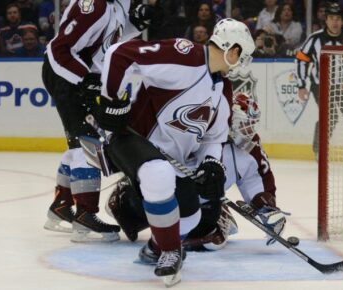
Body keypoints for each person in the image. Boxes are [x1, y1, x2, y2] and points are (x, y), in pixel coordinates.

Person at [88, 18, 254, 287]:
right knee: (158, 172)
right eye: (243, 55)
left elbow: (214, 138)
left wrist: (212, 164)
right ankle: (170, 251)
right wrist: (111, 101)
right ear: (232, 50)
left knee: (192, 216)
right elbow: (120, 53)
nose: (242, 63)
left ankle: (156, 246)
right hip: (129, 137)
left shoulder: (223, 89)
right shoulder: (184, 55)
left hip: (170, 161)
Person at [105, 93, 289, 252]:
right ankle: (126, 196)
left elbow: (258, 177)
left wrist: (266, 206)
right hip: (165, 194)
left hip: (201, 204)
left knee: (209, 239)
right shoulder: (195, 127)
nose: (247, 131)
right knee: (127, 212)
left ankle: (215, 214)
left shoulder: (247, 150)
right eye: (243, 125)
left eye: (250, 125)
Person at [41, 0, 157, 242]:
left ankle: (61, 206)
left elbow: (108, 38)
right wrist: (84, 79)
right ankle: (85, 216)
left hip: (80, 76)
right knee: (88, 142)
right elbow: (60, 49)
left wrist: (134, 24)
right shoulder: (94, 5)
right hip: (66, 74)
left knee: (79, 142)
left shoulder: (118, 3)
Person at [295, 2, 343, 158]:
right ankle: (319, 150)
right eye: (331, 18)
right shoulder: (315, 39)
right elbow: (301, 59)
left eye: (338, 18)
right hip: (320, 85)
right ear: (326, 20)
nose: (335, 22)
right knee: (329, 116)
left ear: (342, 20)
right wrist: (301, 85)